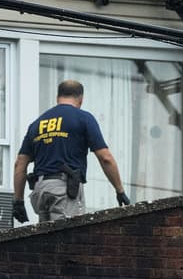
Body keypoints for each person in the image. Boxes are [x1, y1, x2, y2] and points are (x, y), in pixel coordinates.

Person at [13, 79, 129, 223]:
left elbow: (20, 164)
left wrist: (18, 201)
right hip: (63, 191)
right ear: (81, 99)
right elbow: (105, 158)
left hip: (40, 191)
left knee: (46, 240)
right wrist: (120, 191)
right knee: (68, 239)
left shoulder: (37, 124)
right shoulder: (83, 118)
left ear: (58, 97)